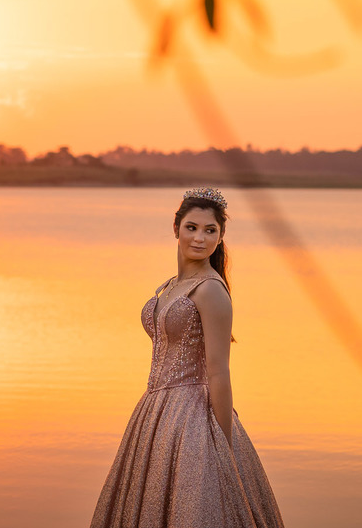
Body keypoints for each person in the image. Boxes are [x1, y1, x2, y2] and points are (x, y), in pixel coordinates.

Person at [89, 187, 286, 528]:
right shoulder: (170, 286)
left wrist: (223, 446)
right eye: (192, 227)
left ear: (221, 236)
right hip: (154, 412)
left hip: (194, 418)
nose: (200, 238)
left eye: (211, 230)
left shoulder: (210, 289)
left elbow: (219, 373)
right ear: (176, 228)